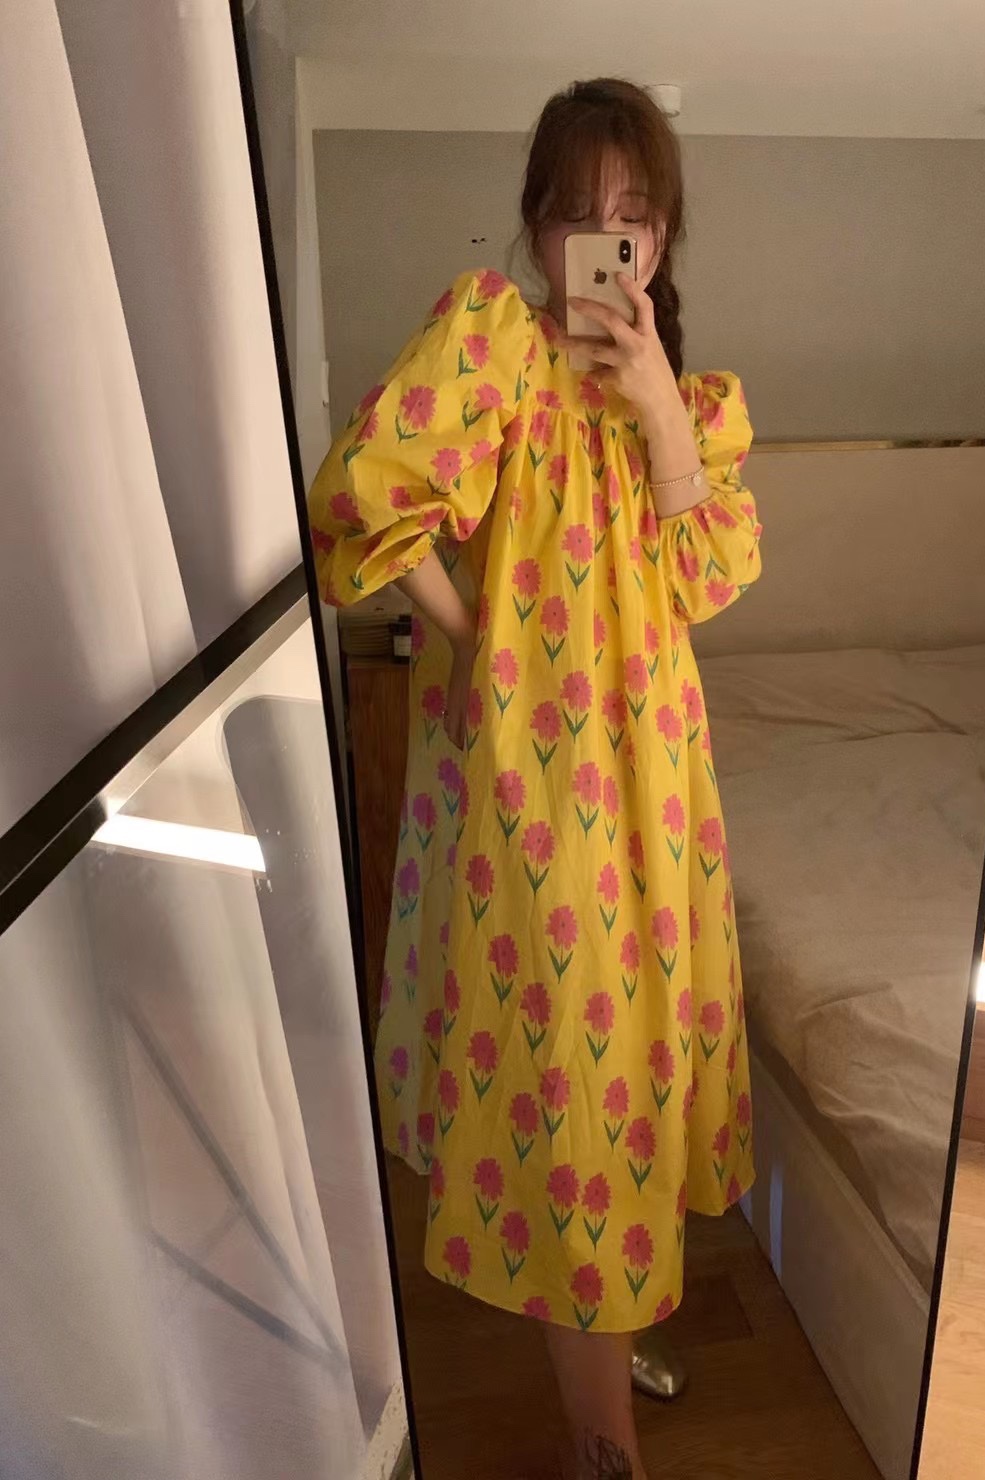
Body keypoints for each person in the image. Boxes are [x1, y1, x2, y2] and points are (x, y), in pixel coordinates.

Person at [308, 77, 761, 1480]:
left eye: (631, 215)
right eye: (575, 212)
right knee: (575, 1079)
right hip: (531, 799)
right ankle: (600, 1443)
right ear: (537, 226)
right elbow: (361, 500)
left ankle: (606, 1332)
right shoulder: (492, 345)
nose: (603, 240)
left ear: (662, 238)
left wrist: (659, 414)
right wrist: (475, 641)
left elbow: (709, 578)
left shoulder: (692, 408)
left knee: (635, 1076)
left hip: (659, 790)